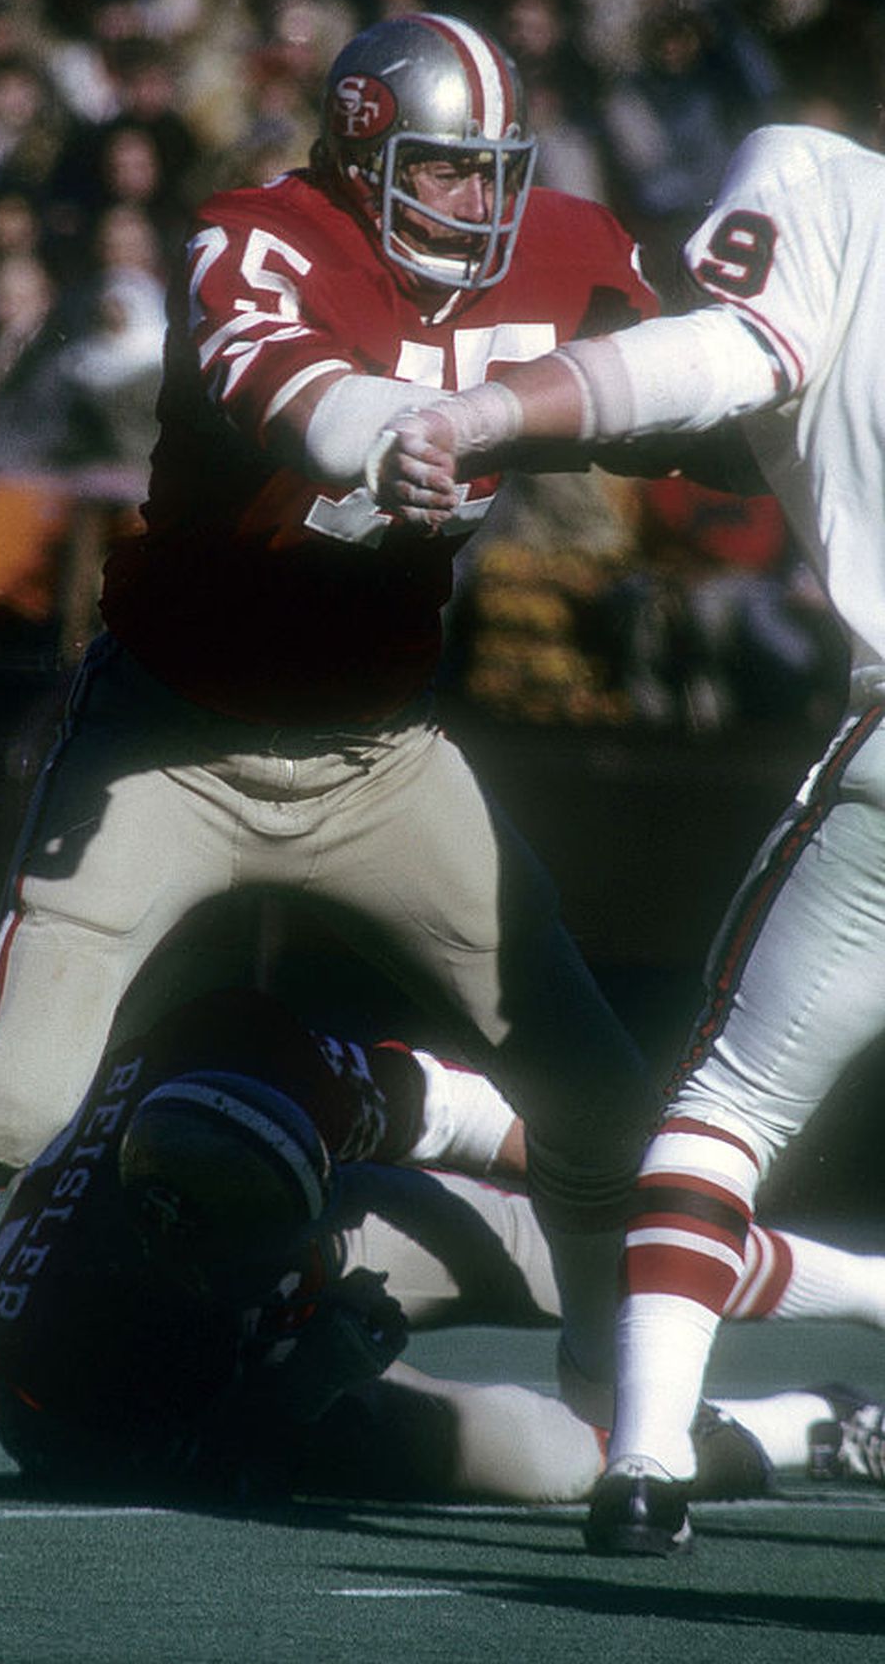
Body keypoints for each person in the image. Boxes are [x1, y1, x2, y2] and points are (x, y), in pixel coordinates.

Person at [0, 12, 665, 1503]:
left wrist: (746, 383)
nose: (481, 206)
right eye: (448, 172)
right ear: (355, 141)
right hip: (175, 738)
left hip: (376, 756)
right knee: (12, 1094)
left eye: (491, 175)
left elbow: (700, 383)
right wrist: (410, 424)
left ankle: (620, 1430)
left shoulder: (561, 247)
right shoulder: (257, 235)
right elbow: (296, 392)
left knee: (596, 1092)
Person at [361, 115, 885, 1554]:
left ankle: (646, 1460)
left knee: (725, 1113)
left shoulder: (826, 182)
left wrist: (489, 410)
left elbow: (726, 358)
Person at [0, 986, 885, 1514]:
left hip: (249, 1213)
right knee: (558, 1458)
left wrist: (623, 1186)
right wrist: (311, 1371)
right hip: (150, 1410)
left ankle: (870, 1292)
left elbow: (468, 1116)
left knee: (585, 1220)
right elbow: (209, 1452)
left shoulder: (258, 1066)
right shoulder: (84, 1352)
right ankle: (810, 1425)